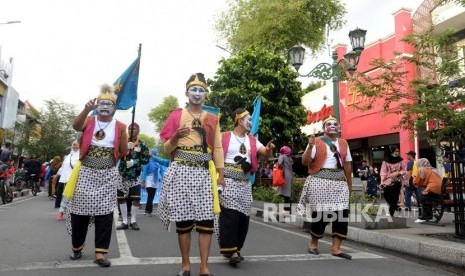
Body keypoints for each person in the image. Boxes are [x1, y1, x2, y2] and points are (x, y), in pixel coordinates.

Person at [158, 73, 225, 276]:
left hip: (204, 173)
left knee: (206, 222)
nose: (197, 94)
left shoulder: (212, 118)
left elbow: (218, 147)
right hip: (181, 171)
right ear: (186, 93)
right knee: (184, 222)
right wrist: (176, 137)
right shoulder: (176, 116)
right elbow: (167, 149)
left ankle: (204, 266)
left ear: (206, 94)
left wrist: (221, 174)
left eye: (201, 90)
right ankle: (185, 264)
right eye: (193, 90)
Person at [67, 84, 128, 267]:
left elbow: (123, 151)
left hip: (108, 174)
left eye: (109, 103)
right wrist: (86, 109)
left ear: (114, 107)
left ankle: (100, 253)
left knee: (105, 215)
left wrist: (123, 147)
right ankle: (77, 248)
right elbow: (76, 125)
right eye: (101, 102)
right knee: (79, 212)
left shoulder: (121, 126)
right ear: (96, 105)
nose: (105, 106)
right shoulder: (90, 120)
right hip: (86, 172)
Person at [218, 108, 274, 266]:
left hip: (245, 184)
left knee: (243, 217)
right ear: (239, 120)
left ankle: (236, 248)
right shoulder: (225, 137)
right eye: (248, 119)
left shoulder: (252, 139)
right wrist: (219, 178)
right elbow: (216, 155)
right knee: (230, 216)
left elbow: (265, 153)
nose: (250, 122)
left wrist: (269, 150)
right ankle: (232, 251)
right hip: (228, 181)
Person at [298, 115, 353, 260]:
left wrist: (349, 185)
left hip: (339, 183)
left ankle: (336, 248)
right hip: (320, 181)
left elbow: (347, 165)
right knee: (322, 215)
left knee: (341, 215)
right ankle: (314, 244)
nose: (333, 126)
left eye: (335, 123)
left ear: (339, 127)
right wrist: (310, 147)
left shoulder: (344, 143)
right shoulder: (316, 141)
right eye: (329, 124)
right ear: (324, 128)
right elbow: (305, 162)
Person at [116, 123, 150, 231]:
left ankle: (133, 221)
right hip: (122, 174)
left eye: (134, 128)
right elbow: (116, 154)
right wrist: (125, 149)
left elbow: (145, 160)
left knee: (136, 198)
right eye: (130, 128)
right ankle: (125, 221)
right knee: (121, 198)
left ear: (138, 131)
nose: (131, 130)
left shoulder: (142, 144)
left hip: (135, 175)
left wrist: (134, 161)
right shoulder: (122, 142)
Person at [140, 148, 169, 217]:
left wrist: (164, 178)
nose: (158, 153)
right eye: (157, 152)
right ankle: (148, 211)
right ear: (154, 153)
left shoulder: (158, 161)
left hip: (155, 180)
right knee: (150, 195)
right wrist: (143, 181)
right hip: (148, 179)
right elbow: (144, 171)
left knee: (152, 196)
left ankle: (148, 210)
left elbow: (162, 171)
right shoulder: (147, 161)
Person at [413, 158, 442, 223]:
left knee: (421, 197)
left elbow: (416, 182)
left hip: (431, 190)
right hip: (440, 192)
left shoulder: (422, 170)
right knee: (425, 197)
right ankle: (428, 215)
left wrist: (413, 180)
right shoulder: (434, 169)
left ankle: (424, 217)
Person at [56, 141, 80, 220]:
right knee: (66, 196)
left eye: (76, 145)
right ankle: (61, 212)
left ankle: (78, 214)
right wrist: (57, 175)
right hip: (68, 179)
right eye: (74, 145)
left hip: (78, 179)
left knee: (78, 197)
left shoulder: (81, 155)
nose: (75, 146)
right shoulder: (69, 156)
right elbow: (63, 167)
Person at [380, 145, 406, 216]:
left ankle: (391, 212)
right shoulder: (386, 161)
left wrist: (398, 173)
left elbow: (404, 170)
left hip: (397, 181)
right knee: (386, 195)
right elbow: (383, 171)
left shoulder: (401, 160)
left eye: (398, 151)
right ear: (391, 152)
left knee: (395, 197)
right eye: (396, 151)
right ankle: (397, 208)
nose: (397, 153)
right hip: (388, 181)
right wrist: (382, 181)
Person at [276, 145, 294, 214]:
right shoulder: (290, 158)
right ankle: (288, 206)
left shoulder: (282, 156)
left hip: (284, 175)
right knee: (286, 192)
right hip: (290, 175)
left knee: (285, 193)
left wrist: (276, 165)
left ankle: (286, 209)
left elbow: (279, 164)